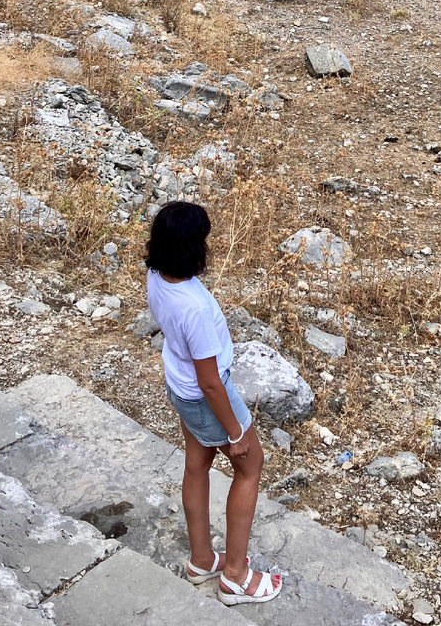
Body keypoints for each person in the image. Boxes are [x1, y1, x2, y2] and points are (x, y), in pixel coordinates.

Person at [146, 201, 282, 608]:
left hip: (179, 385)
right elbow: (209, 382)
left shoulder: (156, 275)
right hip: (205, 395)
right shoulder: (196, 309)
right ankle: (236, 576)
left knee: (196, 465)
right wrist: (236, 431)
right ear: (194, 248)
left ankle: (202, 560)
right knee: (249, 466)